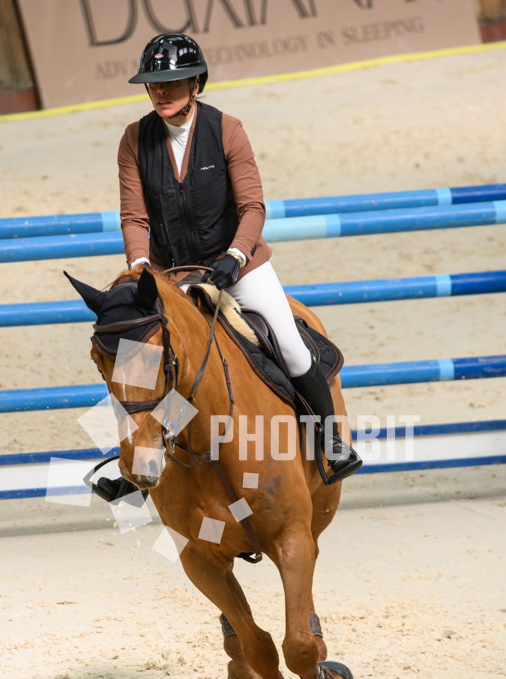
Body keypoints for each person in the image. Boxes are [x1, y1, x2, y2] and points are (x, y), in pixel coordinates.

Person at [104, 32, 360, 500]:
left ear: (196, 84)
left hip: (239, 267)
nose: (161, 92)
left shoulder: (226, 129)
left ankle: (331, 443)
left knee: (291, 347)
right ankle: (136, 467)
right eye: (154, 84)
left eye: (172, 82)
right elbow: (134, 217)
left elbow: (252, 207)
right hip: (173, 275)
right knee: (139, 355)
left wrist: (235, 256)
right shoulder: (134, 140)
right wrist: (141, 270)